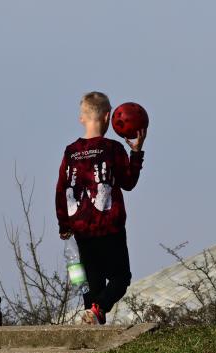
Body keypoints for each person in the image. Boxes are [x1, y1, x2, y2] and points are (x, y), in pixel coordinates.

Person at [55, 91, 146, 324]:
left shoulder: (71, 152)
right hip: (110, 227)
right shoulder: (113, 149)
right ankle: (98, 310)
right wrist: (136, 152)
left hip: (82, 228)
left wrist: (64, 224)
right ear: (108, 118)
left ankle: (91, 321)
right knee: (120, 278)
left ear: (82, 118)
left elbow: (61, 188)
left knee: (92, 283)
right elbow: (128, 183)